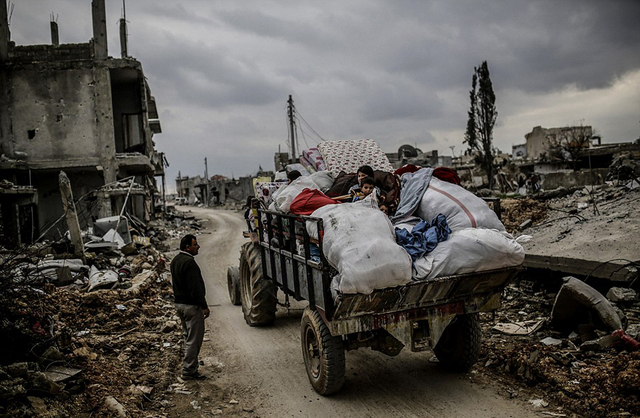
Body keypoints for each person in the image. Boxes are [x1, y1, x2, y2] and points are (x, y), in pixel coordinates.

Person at [171, 234, 210, 380]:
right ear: (187, 247)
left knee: (188, 337)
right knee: (194, 339)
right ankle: (189, 370)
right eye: (195, 244)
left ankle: (189, 367)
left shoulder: (175, 260)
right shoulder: (189, 263)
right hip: (191, 307)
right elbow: (195, 288)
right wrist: (204, 306)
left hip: (179, 305)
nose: (198, 246)